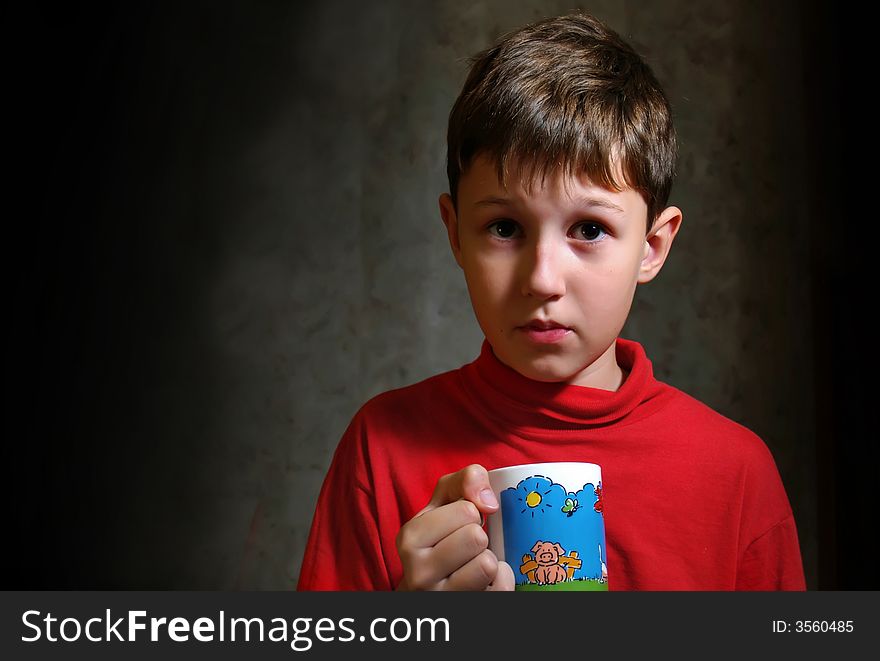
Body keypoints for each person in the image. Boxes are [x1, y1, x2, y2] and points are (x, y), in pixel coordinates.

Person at [296, 11, 806, 591]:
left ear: (652, 246)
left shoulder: (734, 473)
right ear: (454, 231)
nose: (542, 279)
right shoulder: (382, 447)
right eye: (505, 228)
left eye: (588, 230)